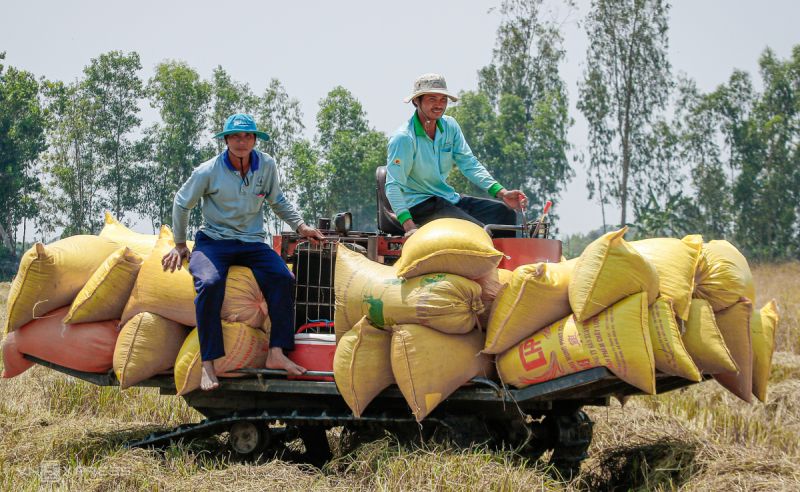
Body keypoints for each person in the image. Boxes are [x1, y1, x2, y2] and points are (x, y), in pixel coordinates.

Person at [161, 113, 324, 391]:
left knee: (282, 279)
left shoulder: (267, 165)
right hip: (214, 241)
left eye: (248, 136)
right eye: (235, 136)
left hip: (251, 242)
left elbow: (277, 199)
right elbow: (181, 203)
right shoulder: (208, 171)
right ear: (225, 140)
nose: (242, 141)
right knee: (210, 284)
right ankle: (208, 364)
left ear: (255, 140)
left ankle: (276, 353)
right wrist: (179, 243)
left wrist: (301, 226)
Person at [385, 73, 528, 237]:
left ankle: (505, 262)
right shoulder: (404, 138)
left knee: (504, 214)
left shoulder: (450, 126)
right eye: (432, 99)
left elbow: (469, 163)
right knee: (478, 231)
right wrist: (409, 225)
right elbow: (393, 186)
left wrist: (502, 193)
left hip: (447, 198)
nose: (439, 105)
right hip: (419, 205)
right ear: (416, 101)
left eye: (443, 100)